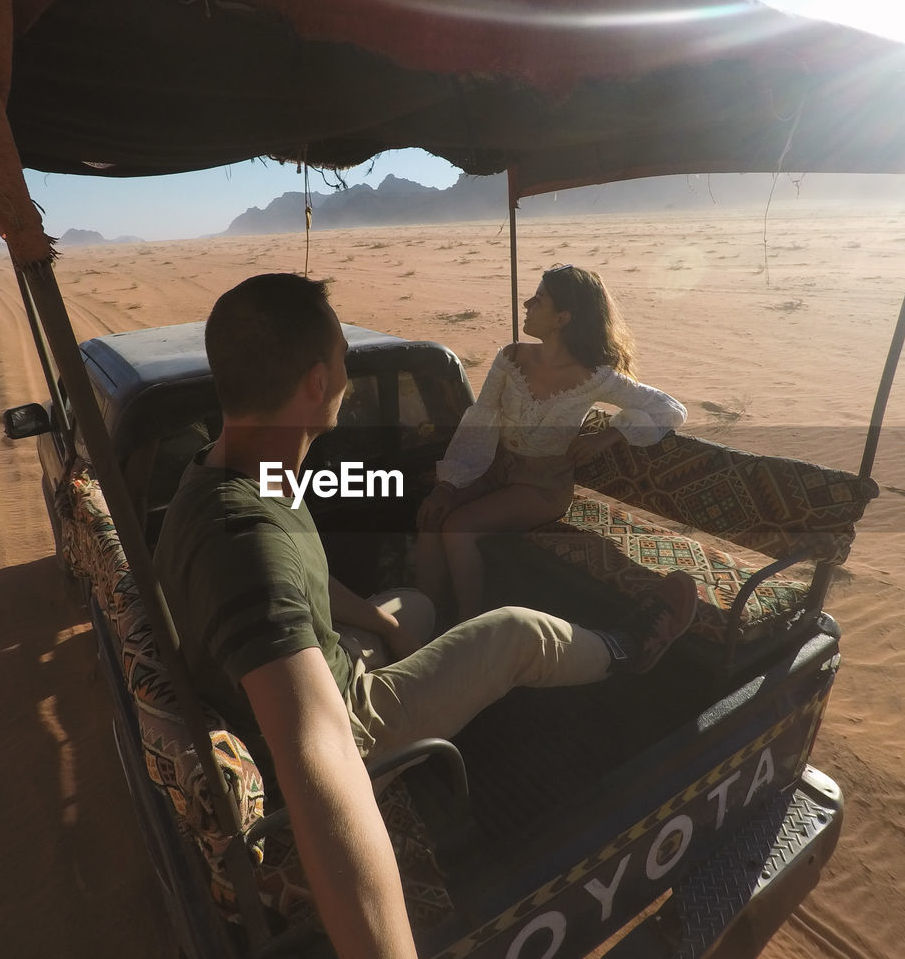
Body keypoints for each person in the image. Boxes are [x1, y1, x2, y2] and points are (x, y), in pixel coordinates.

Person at [154, 273, 697, 959]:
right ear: (319, 383)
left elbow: (305, 590)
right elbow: (319, 765)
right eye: (347, 361)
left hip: (327, 662)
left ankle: (452, 679)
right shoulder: (244, 539)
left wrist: (385, 629)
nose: (351, 377)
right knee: (514, 632)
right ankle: (628, 647)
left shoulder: (231, 471)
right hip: (344, 721)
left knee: (415, 605)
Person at [416, 264, 686, 621]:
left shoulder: (596, 377)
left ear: (562, 318)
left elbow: (670, 409)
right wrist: (448, 485)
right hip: (496, 470)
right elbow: (480, 422)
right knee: (434, 516)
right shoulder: (511, 357)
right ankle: (425, 615)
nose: (527, 303)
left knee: (458, 528)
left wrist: (612, 434)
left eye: (538, 299)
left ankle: (466, 627)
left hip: (542, 486)